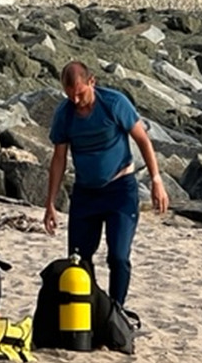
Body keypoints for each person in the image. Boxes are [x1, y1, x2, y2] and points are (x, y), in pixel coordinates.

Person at [43, 60, 169, 306]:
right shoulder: (64, 114)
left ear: (92, 81)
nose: (76, 101)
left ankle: (116, 310)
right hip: (85, 193)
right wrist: (50, 203)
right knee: (78, 260)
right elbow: (59, 158)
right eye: (71, 96)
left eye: (80, 93)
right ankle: (86, 312)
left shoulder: (114, 103)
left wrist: (156, 179)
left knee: (118, 257)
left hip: (120, 190)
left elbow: (143, 139)